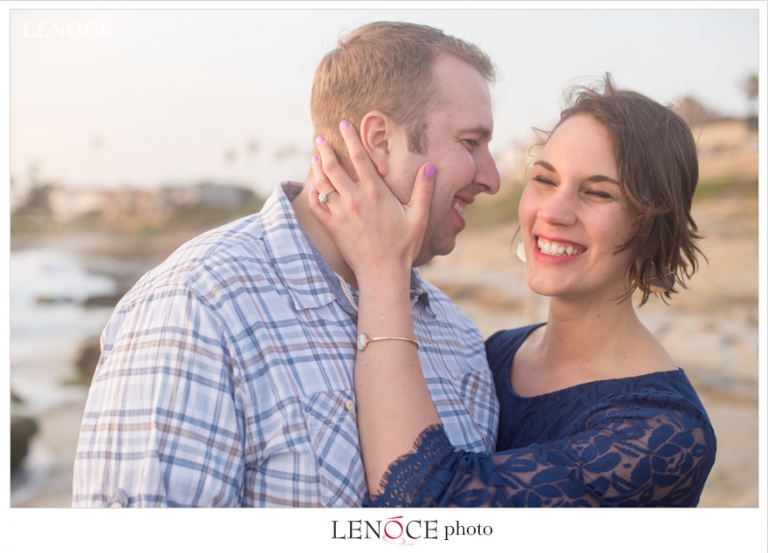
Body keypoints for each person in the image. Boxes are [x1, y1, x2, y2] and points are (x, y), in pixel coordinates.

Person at [72, 22, 502, 507]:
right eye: (470, 143)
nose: (493, 178)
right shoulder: (198, 308)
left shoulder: (458, 335)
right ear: (381, 140)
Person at [309, 75, 717, 507]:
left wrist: (383, 270)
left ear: (652, 228)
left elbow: (431, 511)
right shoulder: (493, 353)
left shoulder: (665, 433)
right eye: (544, 179)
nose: (553, 212)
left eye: (596, 193)